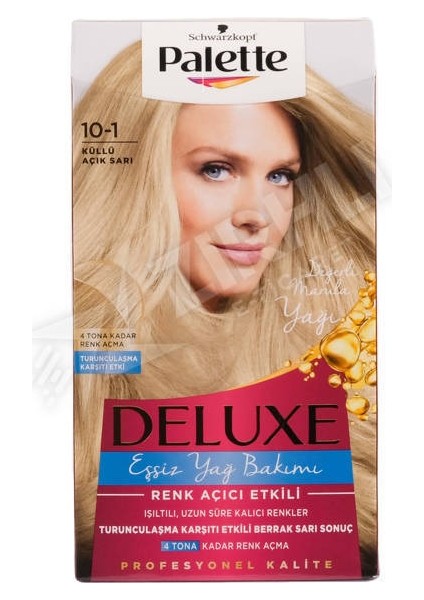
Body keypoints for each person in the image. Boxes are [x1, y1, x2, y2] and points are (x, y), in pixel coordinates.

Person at [73, 41, 377, 578]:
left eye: (281, 176)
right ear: (132, 180)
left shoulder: (345, 344)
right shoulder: (64, 360)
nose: (258, 215)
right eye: (216, 169)